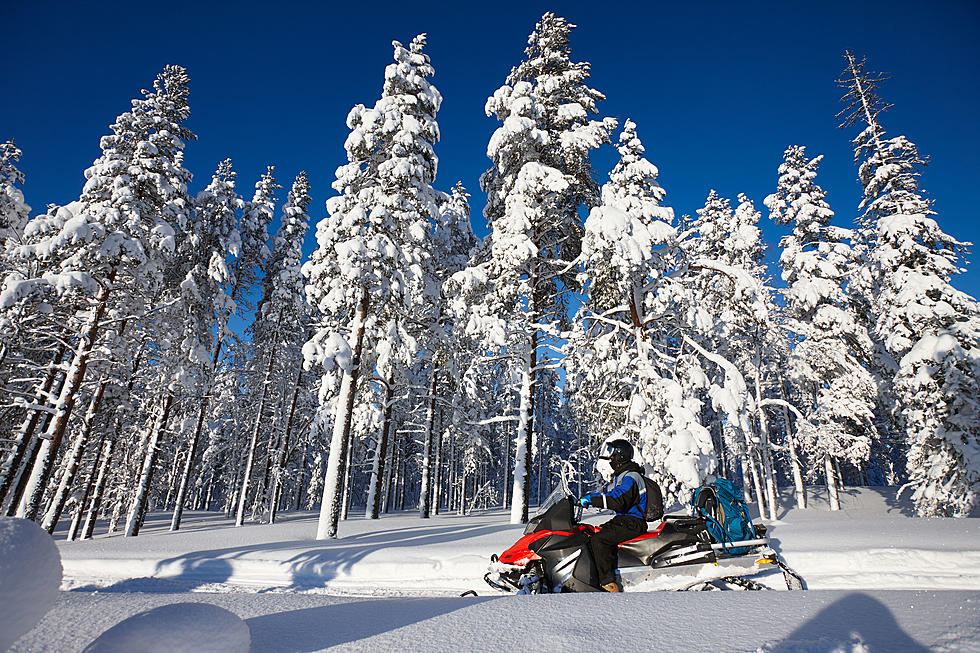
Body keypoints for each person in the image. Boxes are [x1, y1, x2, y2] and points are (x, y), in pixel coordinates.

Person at [578, 439, 658, 592]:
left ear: (620, 456)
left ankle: (608, 583)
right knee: (591, 533)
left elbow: (618, 500)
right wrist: (591, 498)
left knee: (600, 540)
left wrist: (593, 499)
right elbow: (615, 495)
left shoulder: (631, 477)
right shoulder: (625, 476)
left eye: (612, 456)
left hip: (632, 522)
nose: (610, 460)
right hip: (625, 520)